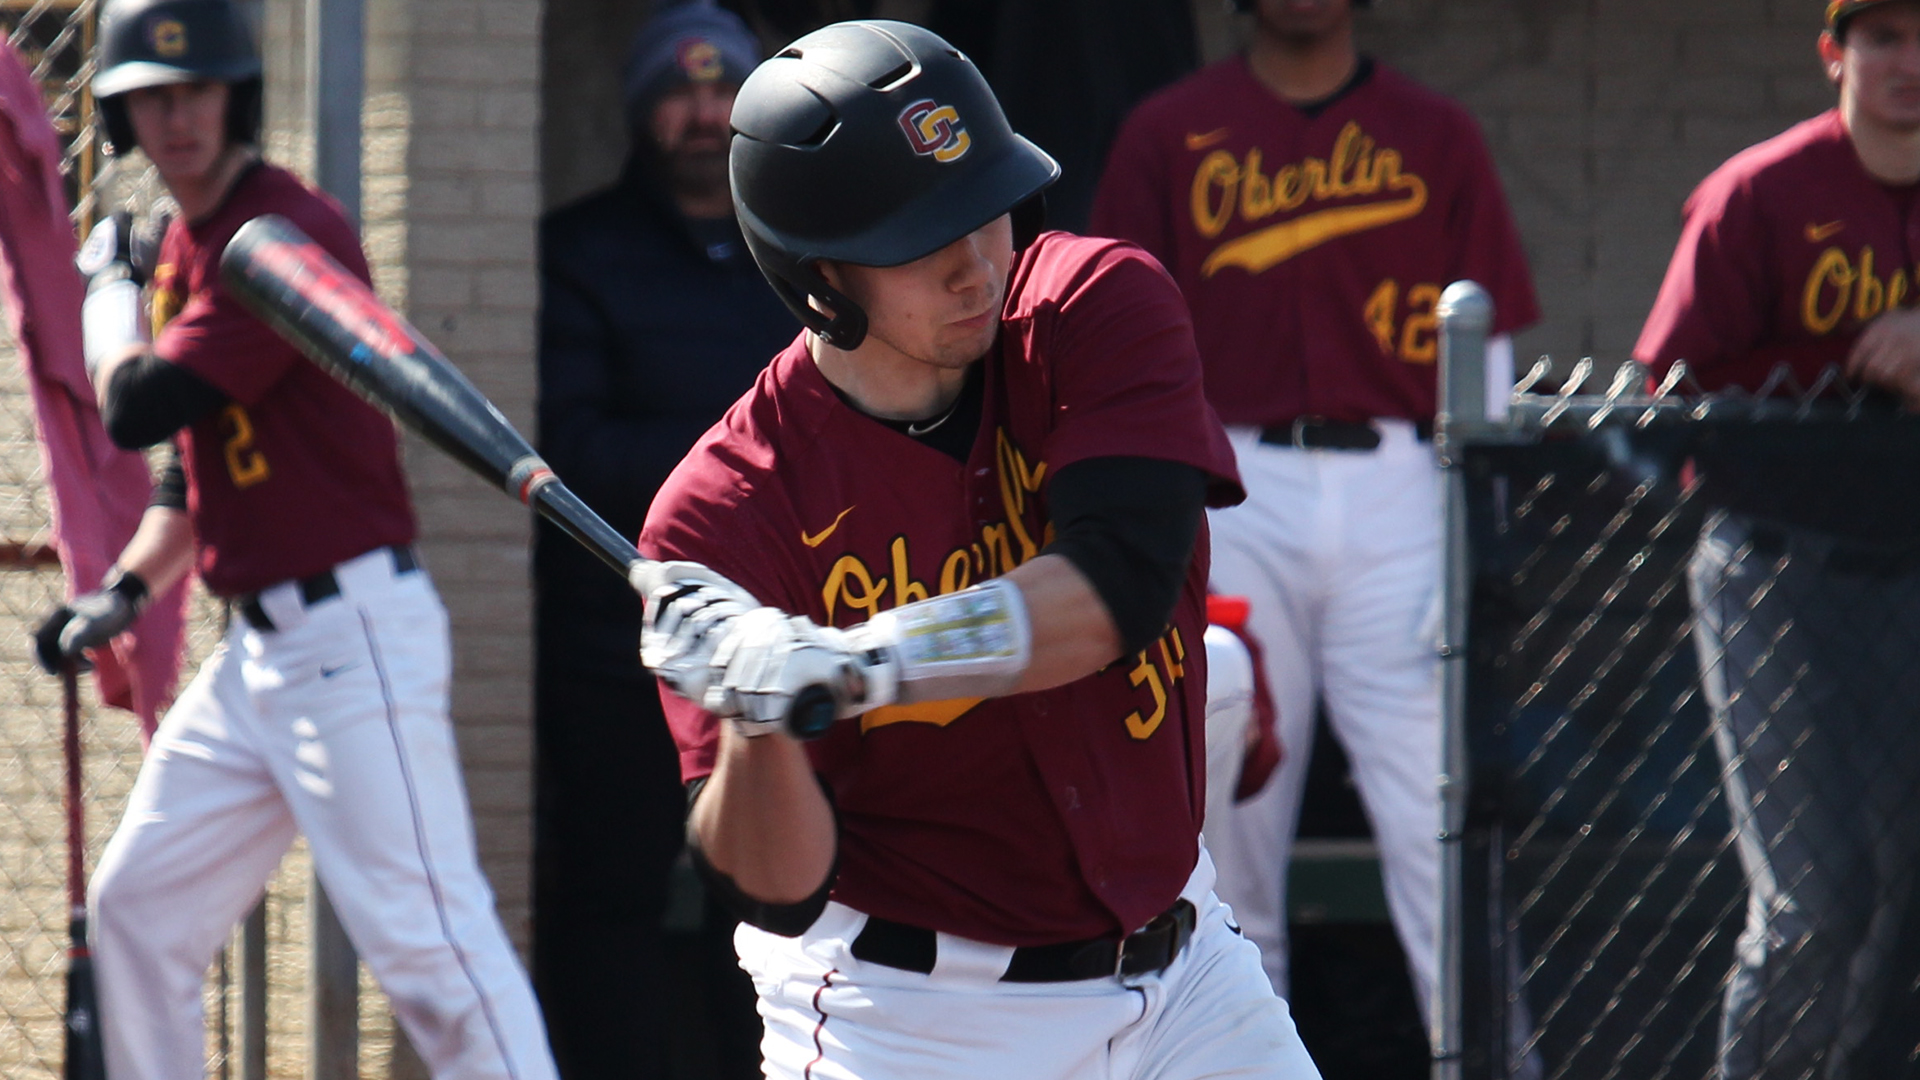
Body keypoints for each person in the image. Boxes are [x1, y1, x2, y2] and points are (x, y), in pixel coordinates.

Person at [634, 20, 1322, 1080]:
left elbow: (1117, 589)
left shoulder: (1092, 307)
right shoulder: (725, 514)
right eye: (921, 238)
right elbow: (776, 885)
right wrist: (754, 713)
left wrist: (858, 663)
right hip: (909, 1020)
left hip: (1186, 976)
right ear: (821, 276)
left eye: (985, 208)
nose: (975, 264)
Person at [30, 3, 560, 1078]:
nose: (176, 117)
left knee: (432, 954)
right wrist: (123, 595)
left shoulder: (281, 234)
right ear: (123, 113)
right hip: (262, 657)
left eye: (197, 90)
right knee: (138, 915)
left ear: (237, 96)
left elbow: (136, 403)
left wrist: (106, 296)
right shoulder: (188, 242)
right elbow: (191, 467)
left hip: (353, 636)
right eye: (152, 97)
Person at [1088, 0, 1539, 1013]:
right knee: (1225, 836)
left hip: (1404, 482)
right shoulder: (1169, 131)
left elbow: (1491, 351)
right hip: (1230, 485)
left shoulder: (1435, 133)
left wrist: (1474, 518)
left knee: (1443, 827)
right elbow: (1113, 340)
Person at [1636, 1, 1920, 1073]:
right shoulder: (1758, 192)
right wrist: (1844, 356)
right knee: (1815, 901)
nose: (1909, 63)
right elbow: (1667, 389)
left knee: (1906, 905)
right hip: (1779, 577)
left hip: (1915, 585)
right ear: (1834, 53)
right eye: (1884, 35)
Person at [532, 3, 792, 1076]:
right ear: (642, 112)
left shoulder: (798, 254)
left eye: (723, 88)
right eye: (679, 91)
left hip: (782, 638)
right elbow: (576, 447)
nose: (703, 111)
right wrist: (743, 458)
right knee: (609, 907)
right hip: (616, 646)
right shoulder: (579, 252)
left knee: (783, 902)